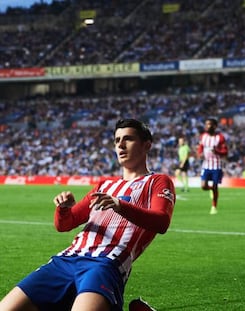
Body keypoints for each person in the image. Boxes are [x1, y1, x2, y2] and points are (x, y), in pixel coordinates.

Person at [0, 119, 175, 311]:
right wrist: (63, 208)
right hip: (66, 260)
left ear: (146, 145)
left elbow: (161, 222)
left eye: (128, 139)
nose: (121, 145)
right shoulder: (105, 185)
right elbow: (65, 224)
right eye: (117, 141)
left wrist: (120, 205)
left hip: (105, 263)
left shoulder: (158, 181)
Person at [197, 118, 228, 215]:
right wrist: (200, 154)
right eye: (206, 124)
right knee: (203, 186)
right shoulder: (203, 136)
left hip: (216, 166)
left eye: (209, 124)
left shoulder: (220, 137)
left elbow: (225, 152)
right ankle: (211, 189)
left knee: (215, 186)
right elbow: (200, 148)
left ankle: (214, 207)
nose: (207, 126)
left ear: (215, 126)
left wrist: (217, 152)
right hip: (206, 165)